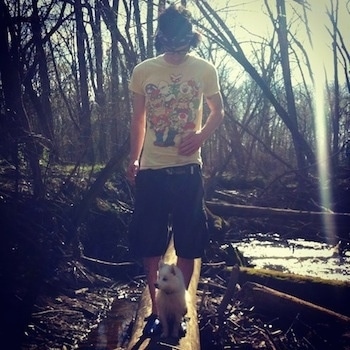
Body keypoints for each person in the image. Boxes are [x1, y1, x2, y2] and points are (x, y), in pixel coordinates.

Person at [126, 4, 224, 335]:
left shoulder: (205, 69)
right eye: (170, 44)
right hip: (152, 171)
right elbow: (138, 119)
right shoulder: (143, 70)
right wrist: (134, 158)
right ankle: (156, 311)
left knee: (189, 244)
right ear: (161, 40)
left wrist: (200, 136)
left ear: (190, 39)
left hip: (188, 171)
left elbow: (218, 111)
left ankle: (179, 312)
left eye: (181, 44)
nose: (176, 50)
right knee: (151, 244)